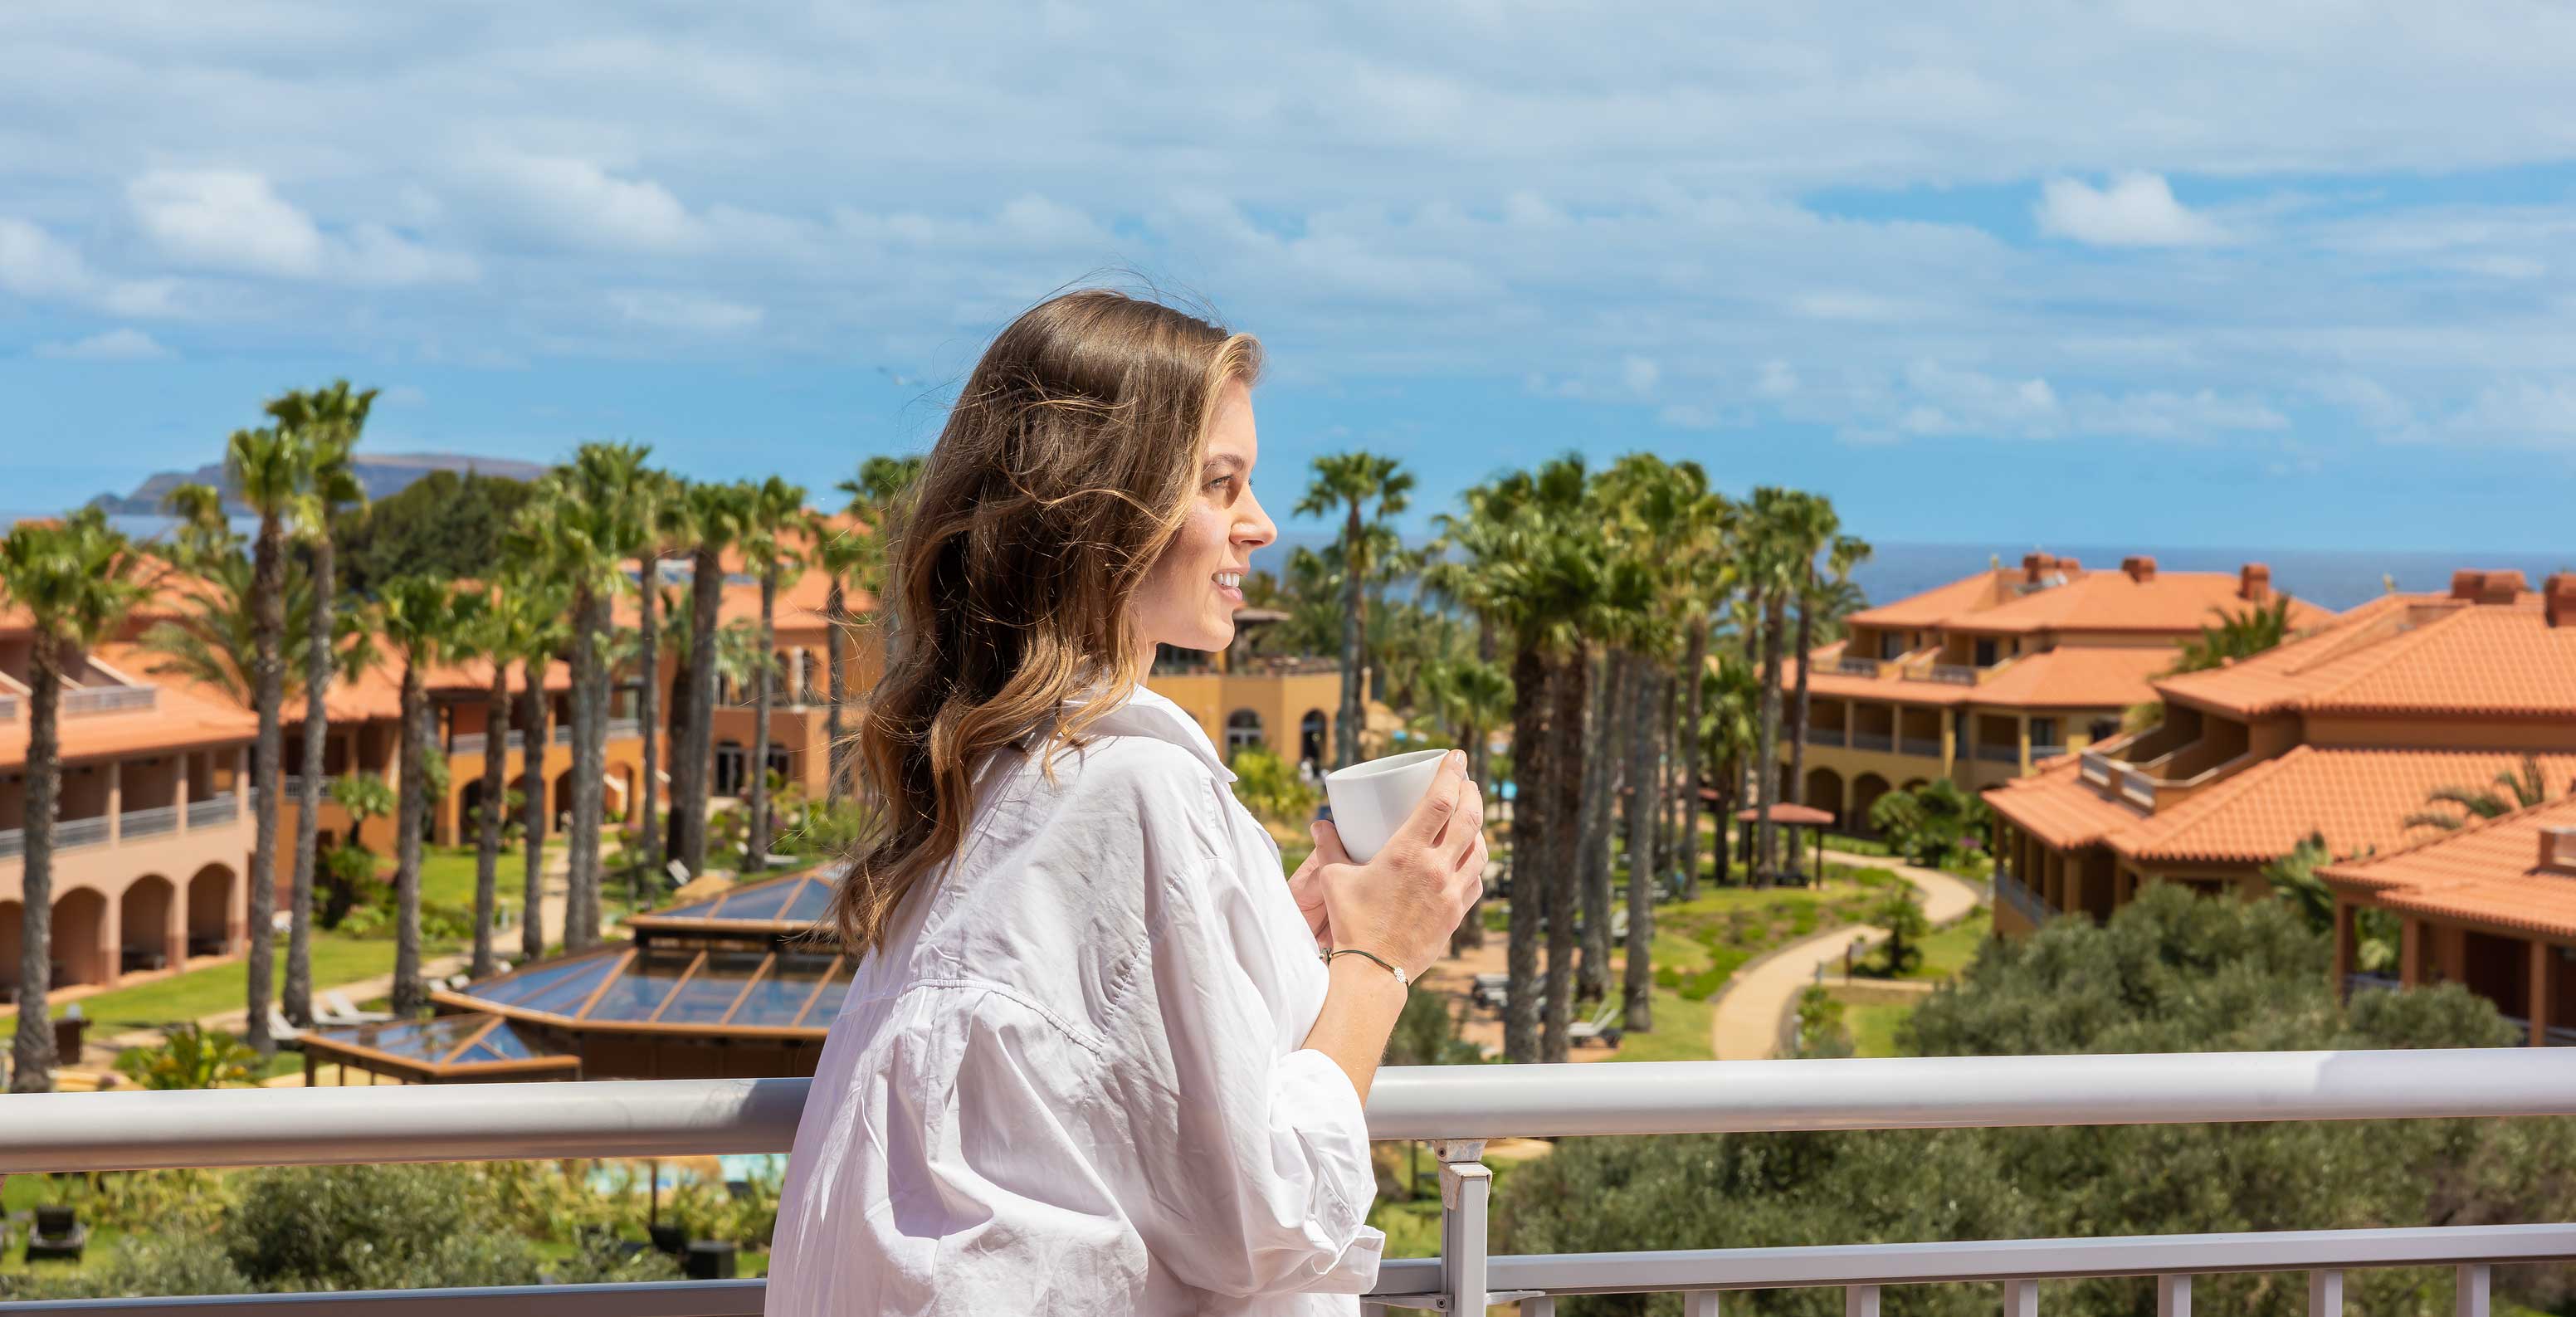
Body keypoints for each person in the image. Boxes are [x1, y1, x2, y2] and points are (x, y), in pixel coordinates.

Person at [765, 290, 1486, 1315]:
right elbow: (1264, 1221)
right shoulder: (1130, 785)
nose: (1260, 525)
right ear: (1100, 506)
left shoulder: (990, 782)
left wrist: (1269, 932)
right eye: (1219, 484)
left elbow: (1075, 1085)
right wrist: (1380, 960)